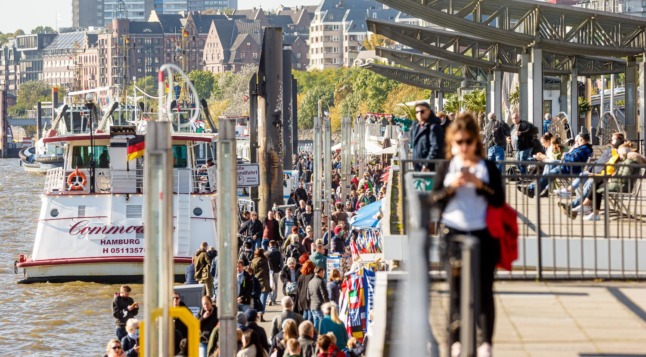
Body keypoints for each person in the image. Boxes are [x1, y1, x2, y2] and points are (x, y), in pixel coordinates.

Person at [430, 112, 504, 357]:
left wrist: (478, 184)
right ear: (452, 143)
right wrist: (453, 187)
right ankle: (455, 340)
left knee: (484, 290)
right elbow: (435, 200)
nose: (463, 147)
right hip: (453, 234)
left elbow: (499, 200)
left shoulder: (487, 167)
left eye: (468, 142)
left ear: (476, 142)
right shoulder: (446, 167)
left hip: (483, 234)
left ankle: (485, 343)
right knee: (455, 291)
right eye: (458, 142)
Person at [520, 133, 593, 198]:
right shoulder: (581, 148)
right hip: (566, 166)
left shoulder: (585, 148)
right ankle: (533, 189)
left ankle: (533, 189)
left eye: (578, 140)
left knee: (548, 173)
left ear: (581, 139)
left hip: (569, 168)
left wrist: (566, 155)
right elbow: (571, 156)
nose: (576, 142)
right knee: (550, 166)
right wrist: (572, 150)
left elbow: (573, 158)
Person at [411, 101, 445, 171]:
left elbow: (436, 148)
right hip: (418, 165)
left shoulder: (434, 127)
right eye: (417, 112)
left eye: (422, 111)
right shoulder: (416, 126)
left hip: (430, 168)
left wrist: (427, 165)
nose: (419, 114)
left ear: (429, 111)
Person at [250, 248, 272, 321]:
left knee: (256, 299)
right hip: (264, 281)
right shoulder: (266, 260)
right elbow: (270, 270)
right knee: (263, 300)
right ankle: (261, 314)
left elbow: (251, 271)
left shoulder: (253, 261)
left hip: (256, 281)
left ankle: (256, 314)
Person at [266, 240, 283, 306]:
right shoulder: (278, 253)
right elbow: (281, 262)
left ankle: (269, 298)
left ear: (269, 245)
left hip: (268, 271)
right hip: (276, 270)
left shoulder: (266, 253)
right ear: (275, 245)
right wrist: (281, 269)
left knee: (269, 284)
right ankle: (273, 299)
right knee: (275, 285)